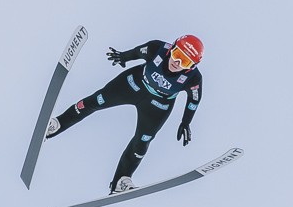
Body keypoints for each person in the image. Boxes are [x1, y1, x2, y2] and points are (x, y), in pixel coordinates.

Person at [45, 34, 204, 193]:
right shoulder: (157, 48)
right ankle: (56, 124)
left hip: (158, 105)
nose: (177, 62)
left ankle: (121, 181)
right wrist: (123, 57)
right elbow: (137, 52)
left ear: (191, 66)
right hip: (132, 84)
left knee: (142, 141)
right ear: (171, 49)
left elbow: (193, 101)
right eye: (177, 54)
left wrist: (186, 122)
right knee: (95, 101)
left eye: (185, 61)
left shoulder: (194, 78)